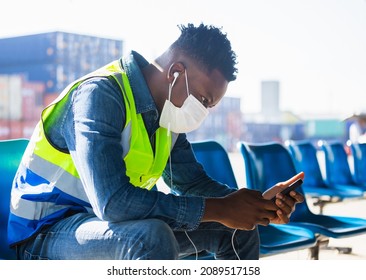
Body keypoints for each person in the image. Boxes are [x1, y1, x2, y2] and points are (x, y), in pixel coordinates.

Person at [9, 23, 304, 260]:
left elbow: (193, 184)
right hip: (47, 235)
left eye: (209, 106)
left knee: (237, 231)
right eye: (203, 99)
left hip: (111, 228)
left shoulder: (167, 118)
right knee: (151, 238)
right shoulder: (100, 95)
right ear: (176, 72)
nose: (203, 111)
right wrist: (222, 209)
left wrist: (256, 205)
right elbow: (113, 203)